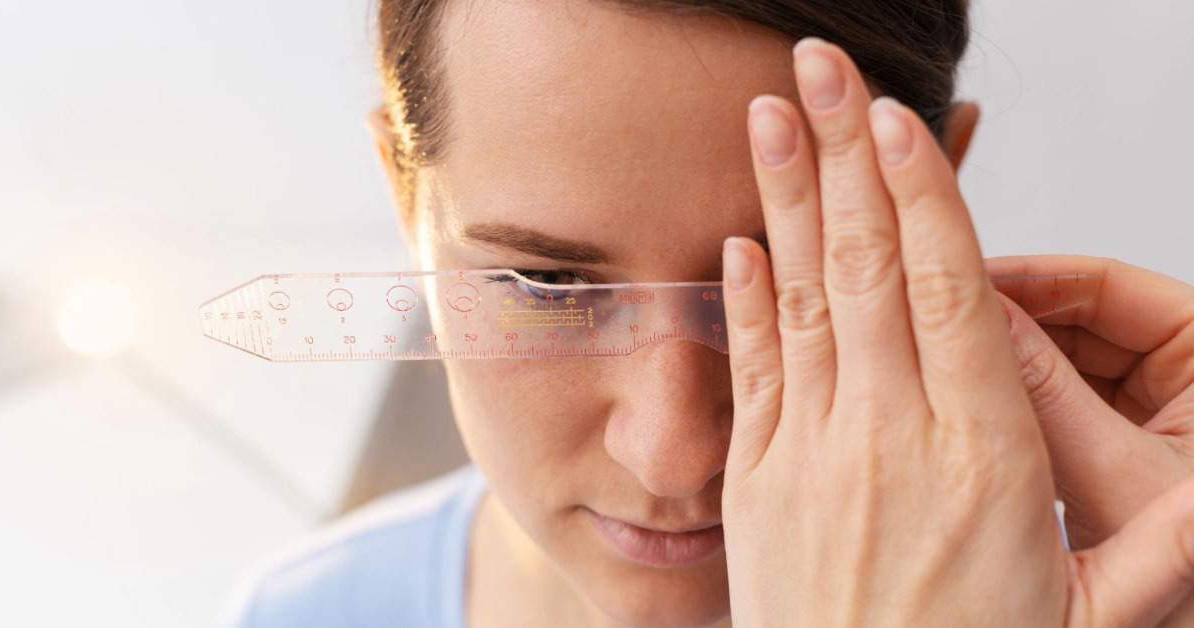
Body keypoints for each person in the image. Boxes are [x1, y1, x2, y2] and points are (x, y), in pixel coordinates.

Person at [219, 1, 1194, 626]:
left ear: (943, 191)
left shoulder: (1126, 583)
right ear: (404, 198)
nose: (674, 453)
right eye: (547, 284)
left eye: (785, 282)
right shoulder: (304, 614)